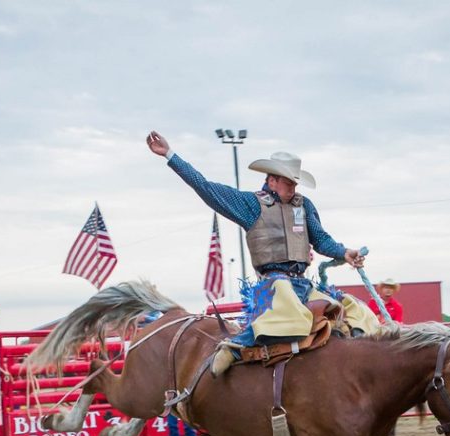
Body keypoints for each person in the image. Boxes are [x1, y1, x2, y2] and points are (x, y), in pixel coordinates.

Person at [146, 130, 378, 376]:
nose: (293, 187)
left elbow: (321, 239)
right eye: (289, 181)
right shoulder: (251, 204)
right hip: (273, 285)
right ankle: (236, 346)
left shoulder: (304, 206)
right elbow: (205, 187)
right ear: (272, 180)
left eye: (295, 182)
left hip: (302, 284)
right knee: (287, 304)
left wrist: (345, 252)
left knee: (353, 308)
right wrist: (170, 155)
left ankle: (355, 352)